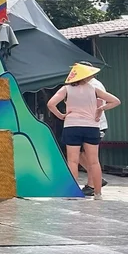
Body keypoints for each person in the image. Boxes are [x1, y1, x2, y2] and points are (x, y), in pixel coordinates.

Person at [48, 64, 120, 199]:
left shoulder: (66, 89)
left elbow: (50, 104)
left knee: (73, 161)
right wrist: (100, 109)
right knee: (94, 161)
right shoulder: (94, 89)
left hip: (72, 126)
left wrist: (61, 115)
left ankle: (73, 192)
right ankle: (98, 193)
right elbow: (115, 101)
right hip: (91, 127)